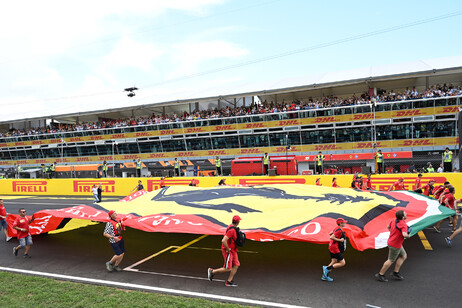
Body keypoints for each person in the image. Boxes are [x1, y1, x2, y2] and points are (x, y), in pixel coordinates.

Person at [375, 210, 410, 282]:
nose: (406, 213)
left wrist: (393, 233)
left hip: (394, 242)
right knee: (390, 260)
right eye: (405, 213)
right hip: (395, 245)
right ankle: (380, 274)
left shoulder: (394, 220)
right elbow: (404, 235)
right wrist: (408, 234)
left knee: (404, 256)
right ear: (403, 217)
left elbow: (388, 227)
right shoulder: (403, 224)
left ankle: (395, 272)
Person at [208, 215, 242, 287]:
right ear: (238, 222)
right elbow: (223, 240)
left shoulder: (232, 227)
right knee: (228, 268)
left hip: (233, 250)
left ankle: (229, 281)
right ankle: (212, 271)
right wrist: (227, 249)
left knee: (236, 265)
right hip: (228, 251)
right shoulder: (231, 230)